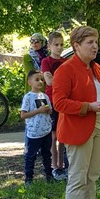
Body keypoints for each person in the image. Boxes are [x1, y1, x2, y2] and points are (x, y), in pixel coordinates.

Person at [51, 26, 100, 199]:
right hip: (78, 130)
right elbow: (59, 103)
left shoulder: (96, 68)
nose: (95, 46)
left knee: (92, 177)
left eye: (96, 41)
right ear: (76, 45)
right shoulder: (65, 70)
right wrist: (88, 106)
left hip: (98, 127)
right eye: (90, 42)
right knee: (78, 178)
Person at [40, 32, 69, 178]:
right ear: (50, 46)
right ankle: (54, 165)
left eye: (61, 44)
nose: (59, 47)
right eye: (56, 45)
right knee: (53, 135)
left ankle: (62, 164)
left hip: (63, 100)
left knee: (62, 133)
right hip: (51, 100)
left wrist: (56, 78)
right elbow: (49, 81)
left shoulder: (66, 61)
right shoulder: (46, 61)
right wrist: (60, 79)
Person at [19, 71, 54, 186]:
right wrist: (38, 111)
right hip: (34, 132)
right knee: (31, 156)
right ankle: (29, 178)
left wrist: (48, 110)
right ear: (29, 82)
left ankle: (49, 175)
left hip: (46, 130)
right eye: (37, 79)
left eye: (41, 80)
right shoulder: (28, 97)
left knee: (47, 154)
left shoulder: (45, 96)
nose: (40, 82)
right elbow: (23, 115)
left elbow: (50, 110)